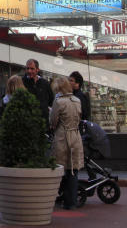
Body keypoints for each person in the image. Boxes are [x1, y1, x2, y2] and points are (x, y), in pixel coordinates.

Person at [50, 76, 84, 210]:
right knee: (73, 169)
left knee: (61, 167)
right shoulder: (77, 100)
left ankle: (63, 197)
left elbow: (53, 121)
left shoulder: (58, 102)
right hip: (75, 136)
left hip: (62, 137)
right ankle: (72, 200)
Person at [22, 59, 52, 129]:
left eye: (32, 68)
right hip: (27, 123)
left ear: (37, 69)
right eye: (27, 68)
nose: (29, 71)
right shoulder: (22, 82)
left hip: (43, 123)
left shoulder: (45, 83)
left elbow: (51, 100)